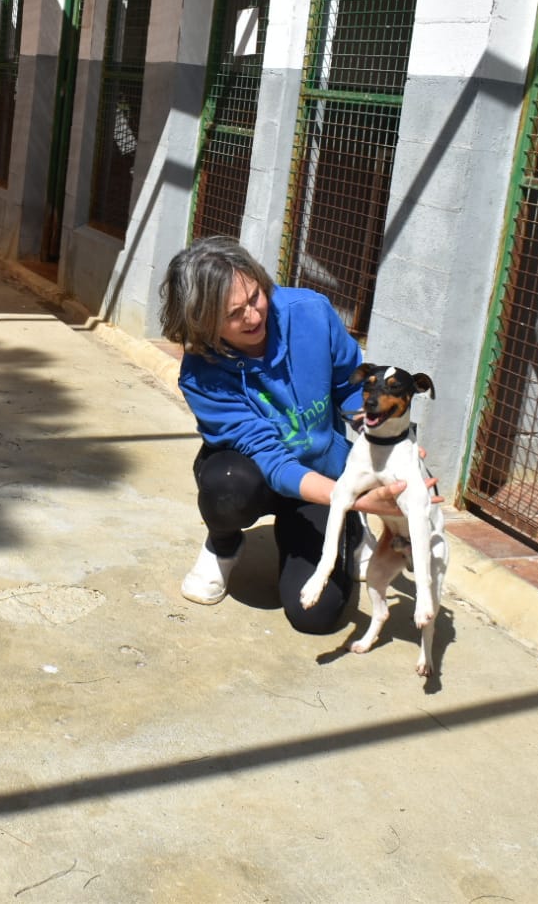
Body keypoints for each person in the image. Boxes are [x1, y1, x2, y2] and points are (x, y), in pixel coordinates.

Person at [159, 235, 427, 634]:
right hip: (254, 472)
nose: (253, 315)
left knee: (316, 617)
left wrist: (389, 442)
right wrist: (355, 499)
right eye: (233, 314)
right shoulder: (201, 374)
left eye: (255, 297)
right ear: (203, 322)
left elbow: (350, 387)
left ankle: (350, 529)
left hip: (320, 470)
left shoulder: (310, 312)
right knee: (226, 485)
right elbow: (271, 459)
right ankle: (223, 545)